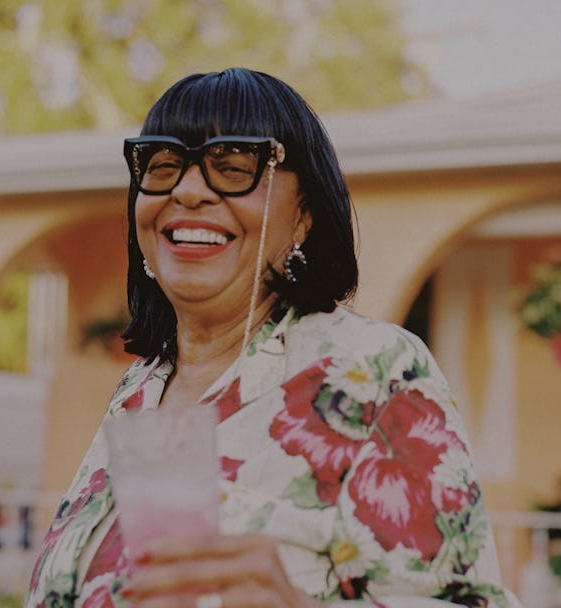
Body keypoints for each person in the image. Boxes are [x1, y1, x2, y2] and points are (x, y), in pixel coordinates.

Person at [26, 68, 522, 608]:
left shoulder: (375, 371)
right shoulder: (138, 389)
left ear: (304, 215)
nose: (188, 191)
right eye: (164, 165)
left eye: (234, 166)